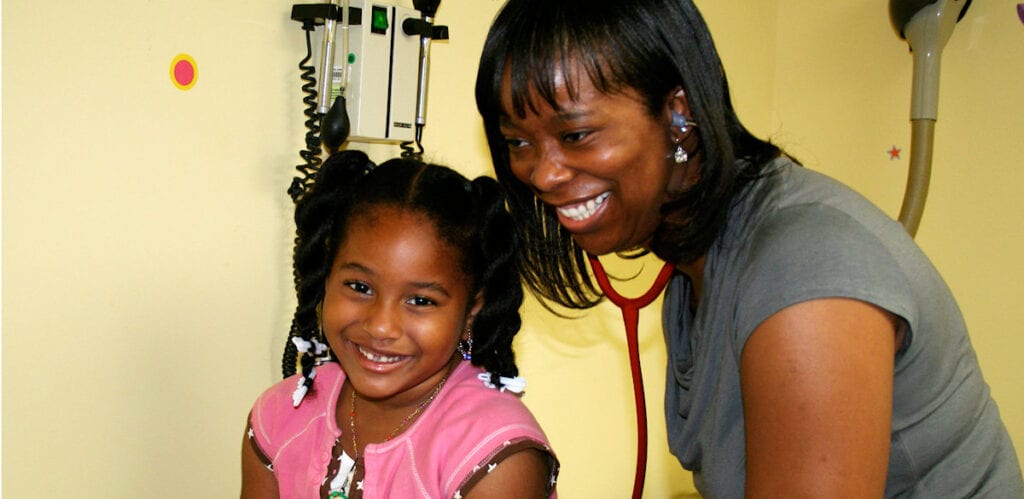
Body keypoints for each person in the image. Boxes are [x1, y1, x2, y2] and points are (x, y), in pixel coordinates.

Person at [474, 0, 1023, 497]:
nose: (541, 174)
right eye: (518, 142)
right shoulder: (698, 266)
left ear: (678, 116)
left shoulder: (803, 268)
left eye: (576, 135)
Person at [240, 150, 559, 498]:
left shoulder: (496, 456)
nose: (381, 326)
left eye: (421, 301)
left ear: (472, 310)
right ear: (325, 278)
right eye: (360, 287)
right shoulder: (280, 416)